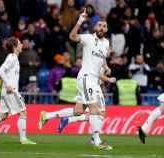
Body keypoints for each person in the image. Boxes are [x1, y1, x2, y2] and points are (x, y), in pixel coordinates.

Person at [38, 9, 113, 150]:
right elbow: (72, 36)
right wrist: (79, 21)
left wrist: (106, 67)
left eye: (104, 26)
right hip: (86, 77)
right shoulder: (88, 38)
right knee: (95, 109)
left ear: (107, 29)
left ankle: (47, 116)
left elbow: (102, 58)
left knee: (79, 111)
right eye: (99, 25)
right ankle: (97, 141)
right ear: (95, 27)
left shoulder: (106, 43)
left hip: (94, 79)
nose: (101, 28)